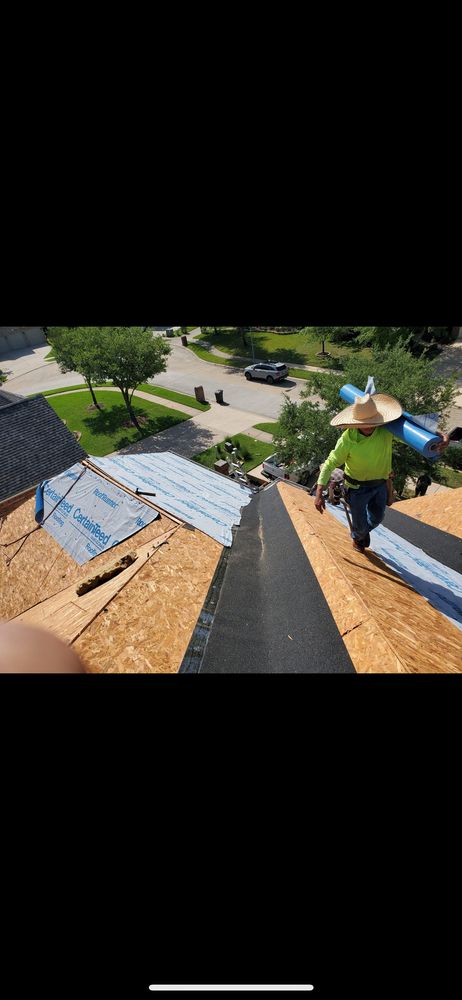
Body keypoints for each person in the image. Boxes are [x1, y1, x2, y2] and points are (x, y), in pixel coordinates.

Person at [314, 392, 449, 553]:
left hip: (379, 486)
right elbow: (330, 462)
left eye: (373, 421)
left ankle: (361, 532)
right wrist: (319, 491)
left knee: (377, 518)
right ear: (356, 423)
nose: (371, 425)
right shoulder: (347, 440)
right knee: (360, 525)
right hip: (356, 489)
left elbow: (413, 434)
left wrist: (438, 435)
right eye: (367, 422)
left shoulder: (385, 431)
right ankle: (358, 536)